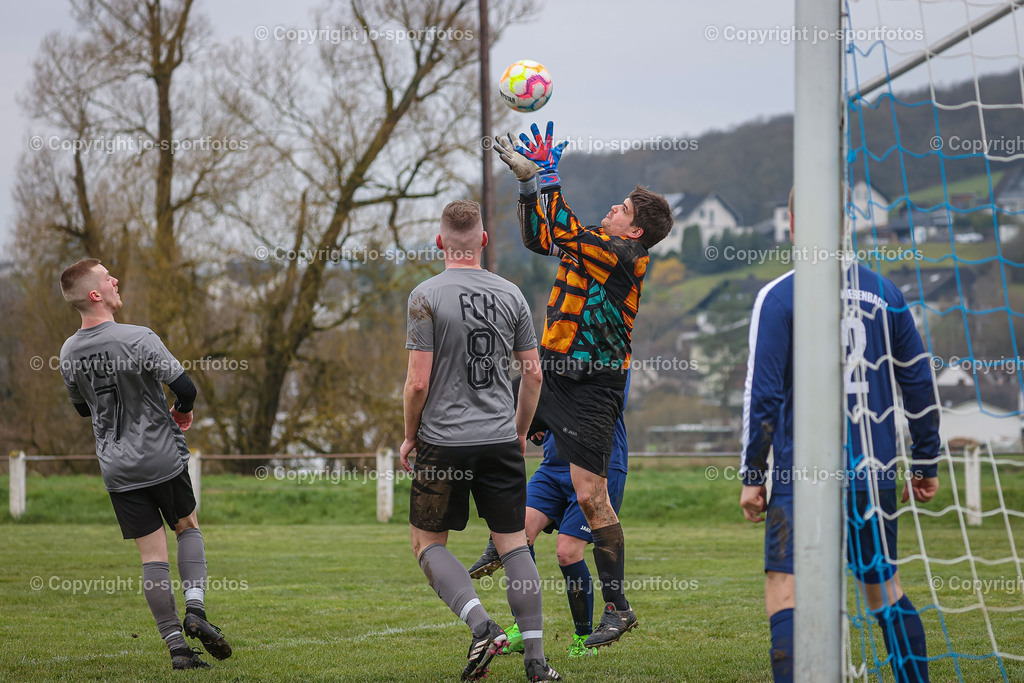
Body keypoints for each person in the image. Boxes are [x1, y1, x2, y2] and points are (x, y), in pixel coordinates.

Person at [739, 191, 939, 683]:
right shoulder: (886, 292)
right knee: (882, 586)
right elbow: (917, 382)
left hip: (800, 472)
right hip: (872, 468)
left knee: (785, 587)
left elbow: (762, 395)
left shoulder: (780, 295)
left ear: (791, 220)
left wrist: (752, 473)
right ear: (845, 220)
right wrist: (926, 460)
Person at [492, 122, 673, 648]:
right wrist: (530, 188)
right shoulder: (593, 244)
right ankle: (501, 537)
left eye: (620, 210)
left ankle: (618, 608)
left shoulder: (624, 257)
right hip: (553, 374)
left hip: (595, 386)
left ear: (633, 231)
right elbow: (540, 237)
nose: (612, 211)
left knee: (592, 494)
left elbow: (565, 230)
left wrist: (547, 179)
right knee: (501, 438)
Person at [400, 200, 560, 682]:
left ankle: (481, 626)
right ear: (484, 242)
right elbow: (533, 375)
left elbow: (417, 383)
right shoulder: (511, 294)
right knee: (513, 547)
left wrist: (410, 436)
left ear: (440, 243)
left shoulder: (424, 295)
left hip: (443, 441)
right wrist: (516, 429)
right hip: (498, 440)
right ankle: (536, 661)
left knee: (427, 543)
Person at [58, 258, 231, 671]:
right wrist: (182, 410)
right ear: (96, 294)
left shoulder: (66, 352)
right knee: (187, 526)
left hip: (117, 469)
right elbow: (185, 387)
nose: (116, 279)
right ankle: (196, 612)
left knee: (151, 558)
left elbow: (84, 410)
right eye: (107, 277)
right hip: (161, 458)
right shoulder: (138, 338)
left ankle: (178, 651)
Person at [469, 376, 630, 659]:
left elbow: (608, 401)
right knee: (515, 534)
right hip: (553, 467)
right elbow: (532, 388)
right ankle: (523, 627)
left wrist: (551, 408)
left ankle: (583, 637)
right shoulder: (552, 352)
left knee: (567, 552)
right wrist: (535, 421)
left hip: (598, 466)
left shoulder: (607, 351)